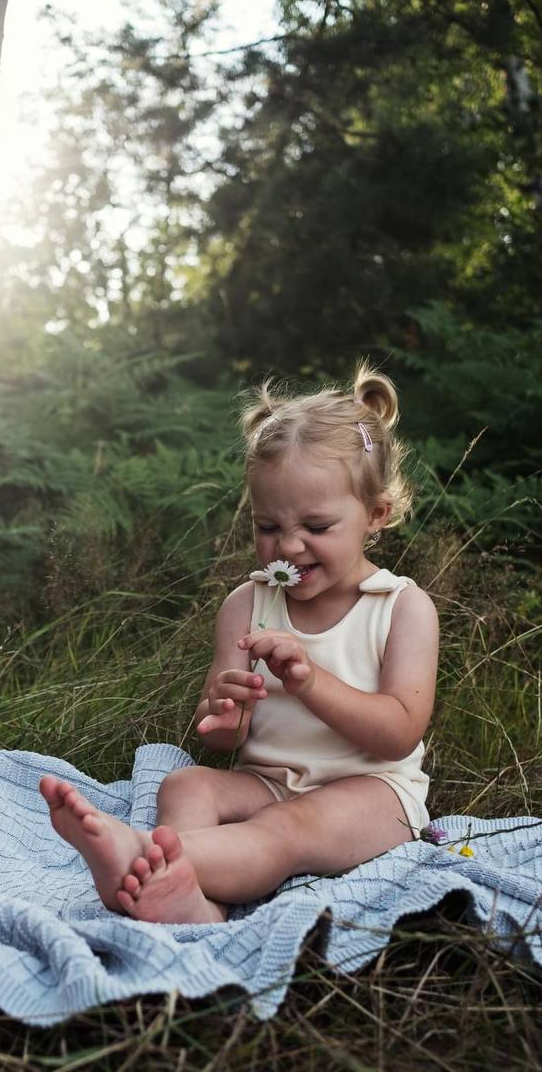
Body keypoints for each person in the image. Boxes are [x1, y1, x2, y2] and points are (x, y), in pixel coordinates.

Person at [39, 364, 439, 924]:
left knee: (280, 831)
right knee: (186, 786)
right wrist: (225, 715)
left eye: (317, 527)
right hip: (267, 780)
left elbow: (399, 733)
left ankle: (144, 857)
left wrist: (310, 682)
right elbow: (226, 738)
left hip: (370, 793)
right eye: (267, 526)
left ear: (376, 515)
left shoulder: (400, 607)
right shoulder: (247, 605)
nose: (289, 545)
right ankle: (191, 903)